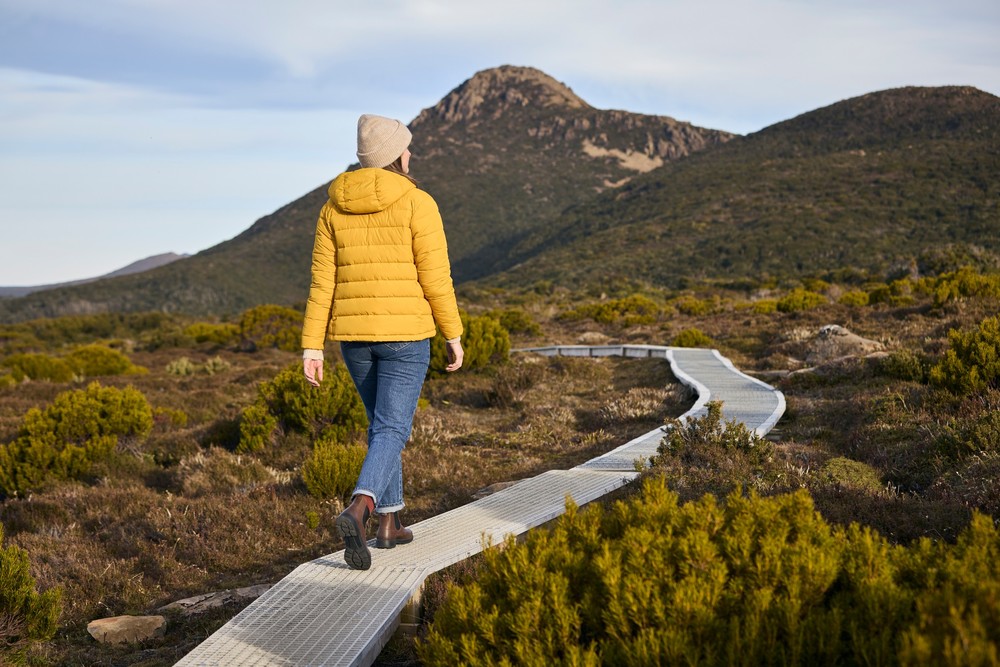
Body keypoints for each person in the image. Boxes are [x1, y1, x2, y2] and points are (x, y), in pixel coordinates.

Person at [302, 114, 464, 570]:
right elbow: (436, 278)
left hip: (353, 340)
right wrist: (453, 333)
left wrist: (311, 346)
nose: (411, 154)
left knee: (381, 427)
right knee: (393, 428)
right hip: (406, 336)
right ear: (398, 155)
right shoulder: (418, 202)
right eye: (407, 148)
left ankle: (389, 525)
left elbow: (322, 283)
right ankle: (361, 507)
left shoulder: (332, 207)